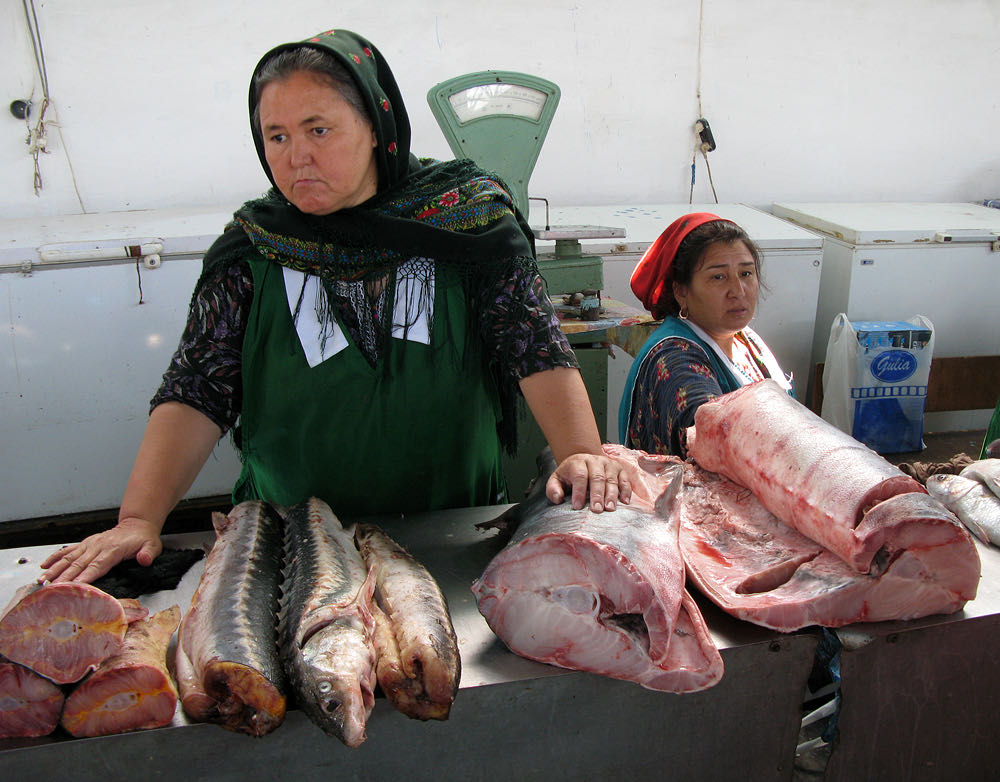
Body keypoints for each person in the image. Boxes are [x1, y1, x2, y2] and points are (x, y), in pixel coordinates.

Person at [41, 29, 632, 584]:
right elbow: (198, 388)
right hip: (288, 557)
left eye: (317, 130)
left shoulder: (468, 224)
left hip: (452, 536)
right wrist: (139, 520)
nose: (296, 156)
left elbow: (532, 348)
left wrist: (581, 453)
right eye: (277, 136)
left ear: (375, 126)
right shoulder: (253, 248)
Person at [618, 212, 792, 457]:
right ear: (681, 291)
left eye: (746, 274)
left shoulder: (747, 340)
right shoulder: (673, 358)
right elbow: (716, 436)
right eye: (718, 277)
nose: (738, 290)